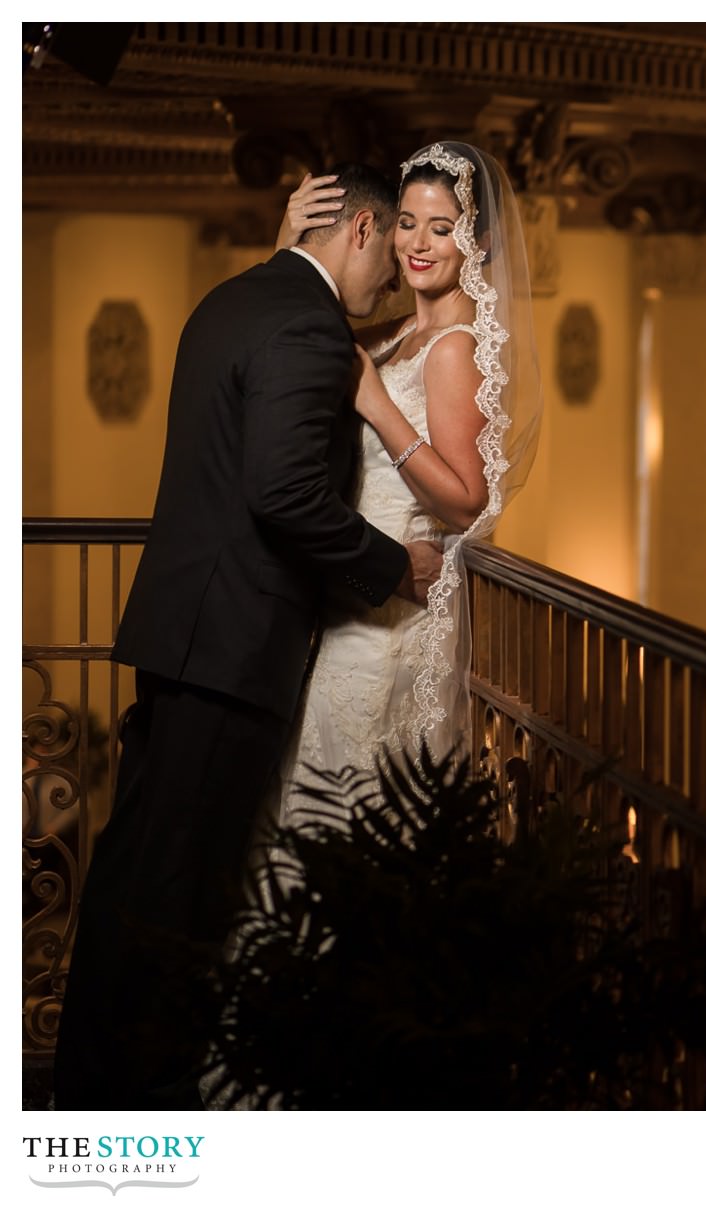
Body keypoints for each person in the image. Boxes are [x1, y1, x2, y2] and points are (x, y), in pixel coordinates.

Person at [54, 163, 444, 1110]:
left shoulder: (232, 298)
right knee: (181, 896)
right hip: (234, 650)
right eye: (381, 266)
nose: (382, 288)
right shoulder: (307, 326)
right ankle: (141, 1106)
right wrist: (397, 567)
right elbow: (283, 494)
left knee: (133, 872)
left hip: (177, 632)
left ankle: (85, 1084)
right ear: (358, 229)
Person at [266, 142, 540, 833]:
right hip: (352, 595)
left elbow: (465, 500)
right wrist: (286, 242)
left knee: (352, 803)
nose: (417, 244)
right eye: (408, 223)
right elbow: (305, 319)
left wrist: (379, 408)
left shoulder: (456, 350)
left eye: (441, 228)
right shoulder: (397, 337)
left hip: (394, 615)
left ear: (474, 241)